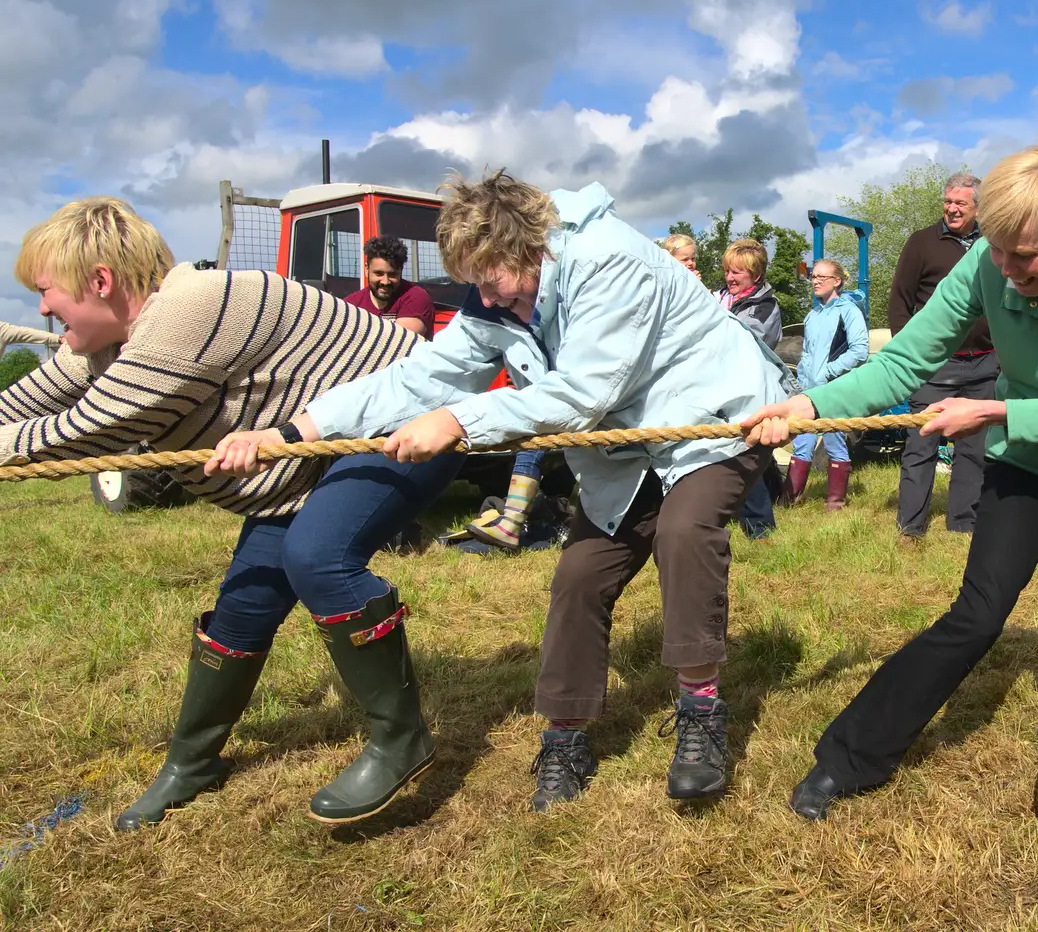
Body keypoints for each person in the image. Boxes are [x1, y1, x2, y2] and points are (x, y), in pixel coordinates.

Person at [211, 171, 791, 809]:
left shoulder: (611, 261)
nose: (487, 297)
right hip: (624, 450)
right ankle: (566, 734)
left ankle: (701, 713)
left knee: (685, 533)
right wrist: (295, 429)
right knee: (578, 576)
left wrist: (458, 419)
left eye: (494, 280)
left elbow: (582, 393)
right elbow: (420, 375)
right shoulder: (494, 295)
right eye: (476, 283)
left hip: (714, 419)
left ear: (532, 249)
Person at [744, 142, 1038, 863]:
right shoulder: (986, 261)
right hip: (1027, 455)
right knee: (977, 611)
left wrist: (993, 415)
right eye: (998, 252)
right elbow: (907, 361)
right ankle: (849, 757)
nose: (1005, 270)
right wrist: (809, 403)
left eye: (1026, 258)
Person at [0, 197, 445, 831]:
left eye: (47, 292)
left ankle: (402, 739)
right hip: (301, 463)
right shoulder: (113, 338)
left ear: (100, 282)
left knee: (316, 556)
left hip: (406, 427)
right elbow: (28, 401)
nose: (41, 309)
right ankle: (192, 763)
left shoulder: (189, 314)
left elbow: (89, 429)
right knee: (243, 606)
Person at [887, 171, 995, 542]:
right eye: (948, 202)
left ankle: (963, 523)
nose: (951, 209)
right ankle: (910, 527)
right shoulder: (921, 243)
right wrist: (910, 355)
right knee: (921, 445)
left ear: (977, 208)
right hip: (934, 366)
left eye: (960, 203)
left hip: (985, 363)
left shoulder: (992, 243)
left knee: (974, 448)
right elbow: (900, 301)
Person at [786, 259, 869, 508]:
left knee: (834, 441)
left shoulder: (849, 311)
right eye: (814, 276)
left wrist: (829, 373)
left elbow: (860, 350)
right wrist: (802, 382)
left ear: (837, 281)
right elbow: (807, 354)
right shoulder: (812, 315)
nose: (816, 280)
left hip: (833, 388)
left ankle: (835, 502)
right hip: (809, 390)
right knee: (802, 441)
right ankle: (789, 500)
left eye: (823, 277)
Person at [716, 239, 784, 538]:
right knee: (755, 457)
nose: (730, 278)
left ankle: (760, 530)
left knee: (744, 455)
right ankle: (778, 496)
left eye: (738, 273)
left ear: (755, 276)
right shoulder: (719, 298)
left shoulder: (764, 306)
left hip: (750, 392)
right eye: (728, 271)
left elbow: (744, 341)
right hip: (721, 389)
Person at [344, 234, 437, 340]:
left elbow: (399, 343)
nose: (385, 281)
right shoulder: (351, 305)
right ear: (366, 269)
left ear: (401, 271)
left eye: (392, 275)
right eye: (379, 273)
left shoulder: (415, 297)